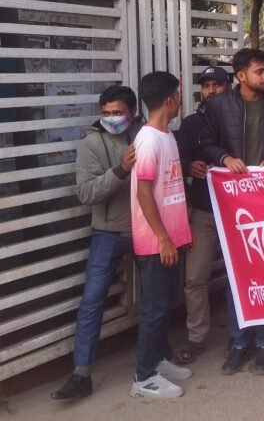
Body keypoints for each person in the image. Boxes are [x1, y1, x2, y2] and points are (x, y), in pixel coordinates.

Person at [199, 48, 264, 376]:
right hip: (232, 203)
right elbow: (205, 143)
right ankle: (239, 343)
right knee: (236, 274)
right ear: (241, 76)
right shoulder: (218, 105)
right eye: (259, 71)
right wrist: (224, 158)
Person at [51, 86, 141, 401]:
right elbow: (86, 193)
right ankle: (81, 373)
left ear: (132, 112)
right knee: (92, 301)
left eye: (118, 113)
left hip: (145, 230)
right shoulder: (92, 144)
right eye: (106, 113)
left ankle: (157, 357)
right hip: (108, 233)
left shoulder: (146, 136)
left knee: (156, 296)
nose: (112, 119)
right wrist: (121, 170)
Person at [129, 71, 193, 400]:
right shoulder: (149, 140)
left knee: (166, 305)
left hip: (172, 238)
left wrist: (179, 235)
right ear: (169, 100)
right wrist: (164, 238)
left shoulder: (166, 136)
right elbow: (143, 194)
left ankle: (159, 360)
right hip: (155, 242)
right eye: (178, 96)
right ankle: (144, 378)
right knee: (153, 311)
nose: (180, 101)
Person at [174, 66, 230, 366]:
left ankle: (243, 335)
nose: (211, 90)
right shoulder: (191, 124)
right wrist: (188, 166)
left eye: (216, 85)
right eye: (206, 86)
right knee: (195, 277)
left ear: (228, 87)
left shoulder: (236, 118)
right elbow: (179, 159)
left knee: (242, 274)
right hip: (203, 209)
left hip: (237, 209)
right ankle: (196, 337)